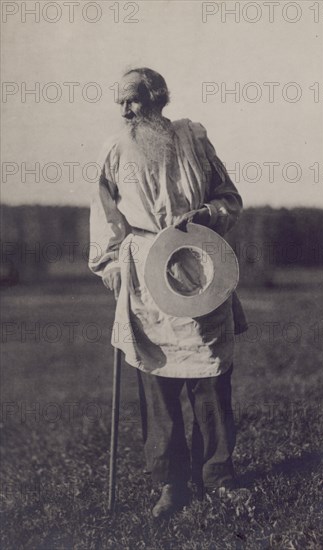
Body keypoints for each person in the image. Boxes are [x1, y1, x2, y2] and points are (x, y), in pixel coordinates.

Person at [89, 67, 246, 518]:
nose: (124, 110)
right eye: (119, 101)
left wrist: (207, 214)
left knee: (212, 377)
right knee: (157, 382)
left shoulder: (194, 138)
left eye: (132, 100)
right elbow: (105, 215)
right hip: (146, 274)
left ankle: (218, 476)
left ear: (157, 98)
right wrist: (112, 263)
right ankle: (171, 484)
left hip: (200, 264)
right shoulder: (115, 149)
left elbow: (229, 197)